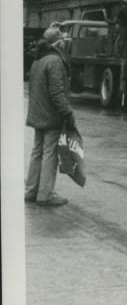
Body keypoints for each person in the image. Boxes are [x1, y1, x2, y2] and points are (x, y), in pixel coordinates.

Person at [25, 26, 77, 207]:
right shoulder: (55, 60)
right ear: (58, 42)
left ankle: (31, 190)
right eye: (62, 39)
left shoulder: (37, 59)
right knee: (50, 153)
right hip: (50, 115)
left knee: (37, 151)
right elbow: (57, 92)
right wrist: (67, 113)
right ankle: (45, 194)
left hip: (37, 113)